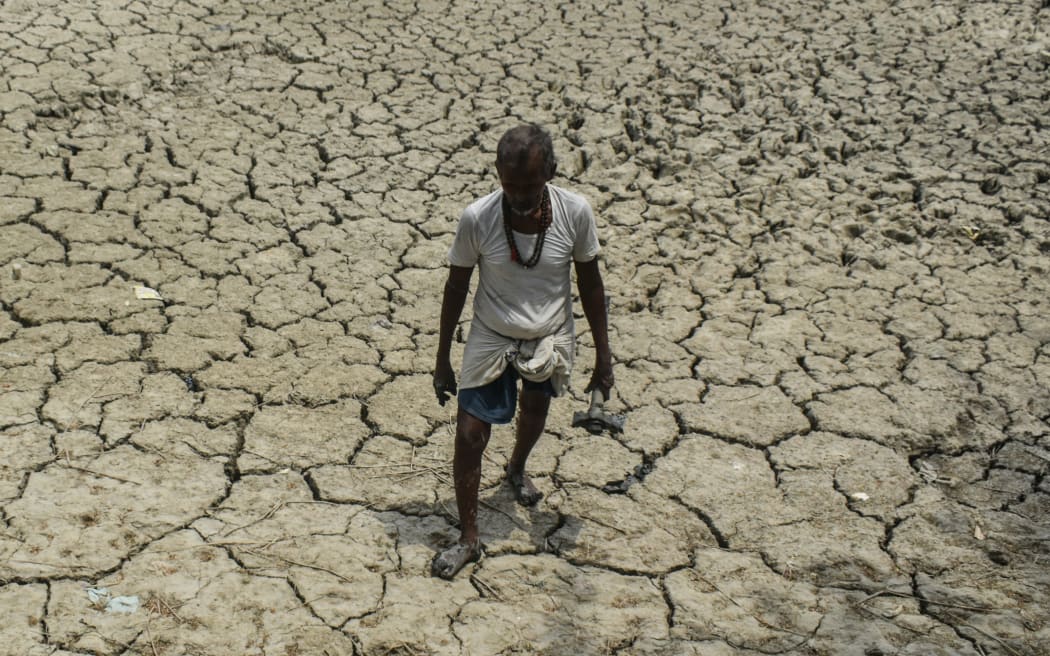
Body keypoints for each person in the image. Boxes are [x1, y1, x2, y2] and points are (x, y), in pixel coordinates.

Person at [431, 124, 615, 580]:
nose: (518, 197)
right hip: (492, 332)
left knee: (534, 410)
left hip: (549, 331)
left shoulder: (575, 212)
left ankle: (517, 467)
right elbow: (457, 285)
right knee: (469, 434)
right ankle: (470, 538)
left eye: (530, 186)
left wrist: (604, 356)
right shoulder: (478, 217)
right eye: (509, 185)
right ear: (497, 173)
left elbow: (590, 284)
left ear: (551, 171)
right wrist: (441, 357)